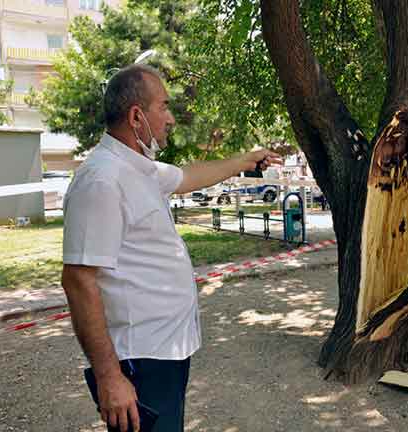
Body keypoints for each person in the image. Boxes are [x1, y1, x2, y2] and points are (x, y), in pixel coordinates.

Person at [61, 64, 281, 432]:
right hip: (139, 359)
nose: (171, 118)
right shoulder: (102, 179)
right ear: (136, 117)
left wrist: (246, 160)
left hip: (165, 351)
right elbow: (78, 281)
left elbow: (190, 176)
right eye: (163, 106)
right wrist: (109, 377)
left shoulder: (140, 168)